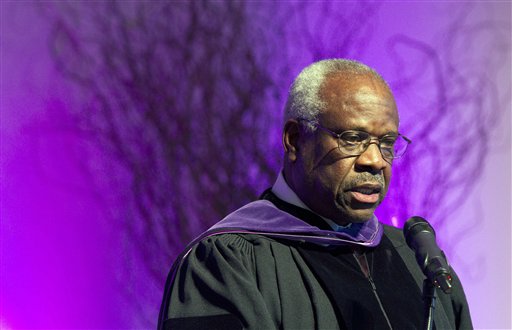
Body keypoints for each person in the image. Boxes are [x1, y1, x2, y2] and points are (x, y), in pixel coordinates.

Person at [158, 59, 473, 329]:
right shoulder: (225, 263)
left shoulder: (419, 263)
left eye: (387, 143)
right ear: (295, 140)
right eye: (352, 139)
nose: (375, 161)